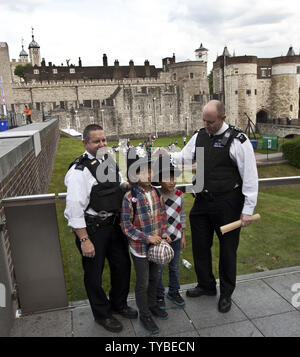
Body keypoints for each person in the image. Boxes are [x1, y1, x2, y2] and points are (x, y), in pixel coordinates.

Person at [168, 100, 258, 313]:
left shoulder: (238, 140)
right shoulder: (200, 136)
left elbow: (250, 177)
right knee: (200, 246)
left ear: (223, 118)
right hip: (202, 203)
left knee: (228, 251)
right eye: (204, 121)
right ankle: (206, 285)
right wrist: (165, 156)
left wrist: (247, 210)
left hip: (228, 204)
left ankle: (226, 293)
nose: (206, 125)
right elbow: (184, 158)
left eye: (211, 122)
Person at [64, 124, 137, 333]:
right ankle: (102, 314)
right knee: (94, 275)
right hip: (93, 229)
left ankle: (118, 304)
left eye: (104, 140)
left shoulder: (108, 159)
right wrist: (84, 240)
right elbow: (74, 209)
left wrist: (127, 185)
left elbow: (118, 183)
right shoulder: (80, 170)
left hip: (114, 225)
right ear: (85, 143)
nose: (102, 144)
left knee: (122, 266)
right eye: (97, 141)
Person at [121, 148, 171, 334]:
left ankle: (151, 305)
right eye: (143, 171)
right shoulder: (129, 198)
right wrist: (146, 237)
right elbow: (126, 226)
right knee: (142, 282)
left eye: (150, 169)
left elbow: (162, 216)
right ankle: (145, 314)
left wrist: (164, 231)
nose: (148, 174)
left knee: (154, 277)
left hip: (156, 246)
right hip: (140, 248)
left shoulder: (156, 193)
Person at [152, 155, 187, 309]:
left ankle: (173, 291)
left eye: (174, 177)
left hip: (177, 238)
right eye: (167, 177)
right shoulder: (155, 196)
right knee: (159, 270)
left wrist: (183, 236)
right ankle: (159, 295)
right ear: (159, 180)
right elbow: (155, 220)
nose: (172, 181)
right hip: (161, 239)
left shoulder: (179, 195)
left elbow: (182, 216)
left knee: (175, 267)